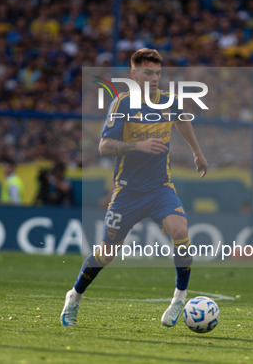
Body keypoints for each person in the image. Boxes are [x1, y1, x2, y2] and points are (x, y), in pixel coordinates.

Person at [60, 48, 208, 327]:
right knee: (106, 253)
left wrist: (197, 153)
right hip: (127, 192)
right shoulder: (122, 104)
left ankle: (179, 298)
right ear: (134, 74)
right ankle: (74, 297)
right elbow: (104, 146)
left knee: (180, 230)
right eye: (147, 72)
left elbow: (182, 123)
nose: (154, 78)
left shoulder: (169, 102)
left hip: (160, 189)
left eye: (158, 73)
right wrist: (137, 146)